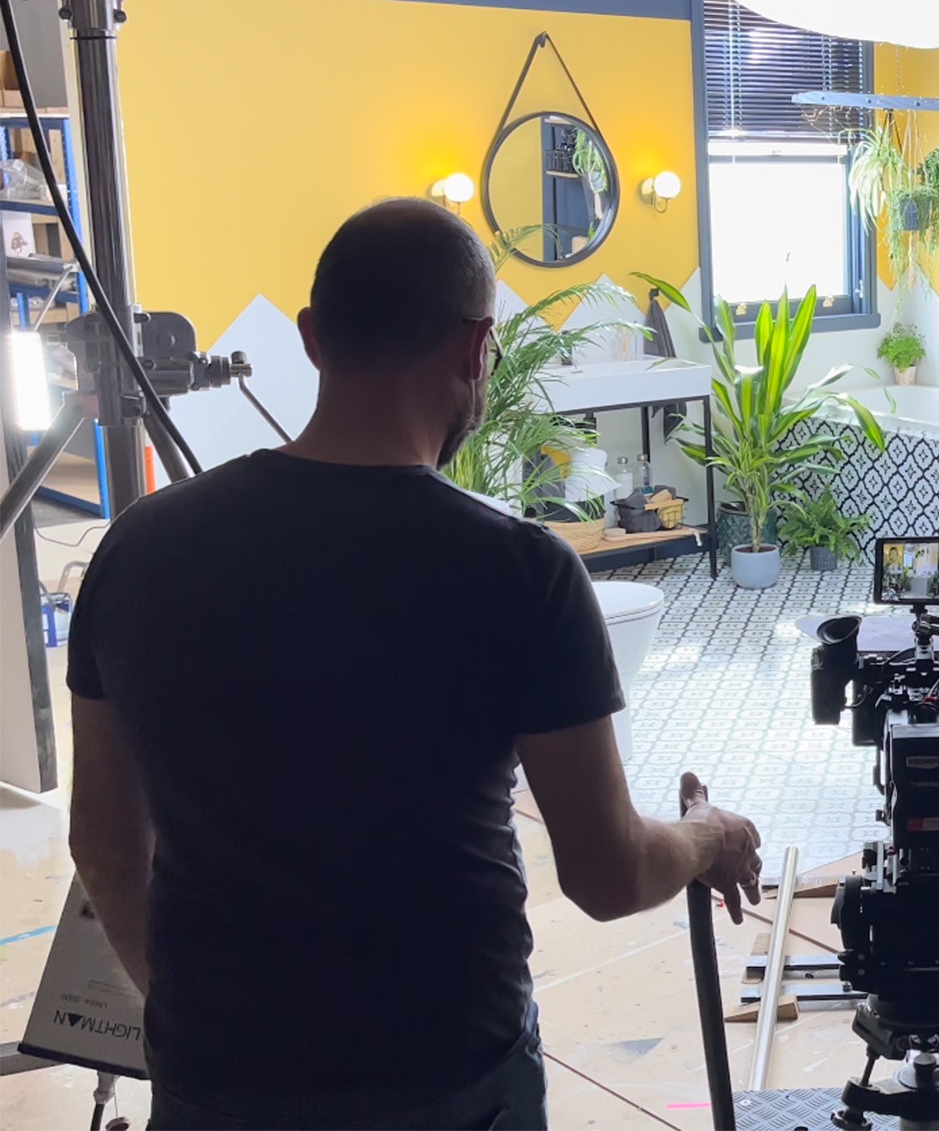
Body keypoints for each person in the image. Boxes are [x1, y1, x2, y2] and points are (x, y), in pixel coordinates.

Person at [65, 199, 764, 1130]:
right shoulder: (519, 572)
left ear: (311, 337)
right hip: (445, 1082)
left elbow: (104, 843)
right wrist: (707, 835)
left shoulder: (136, 549)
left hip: (215, 1083)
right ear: (478, 352)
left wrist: (189, 1016)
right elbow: (607, 875)